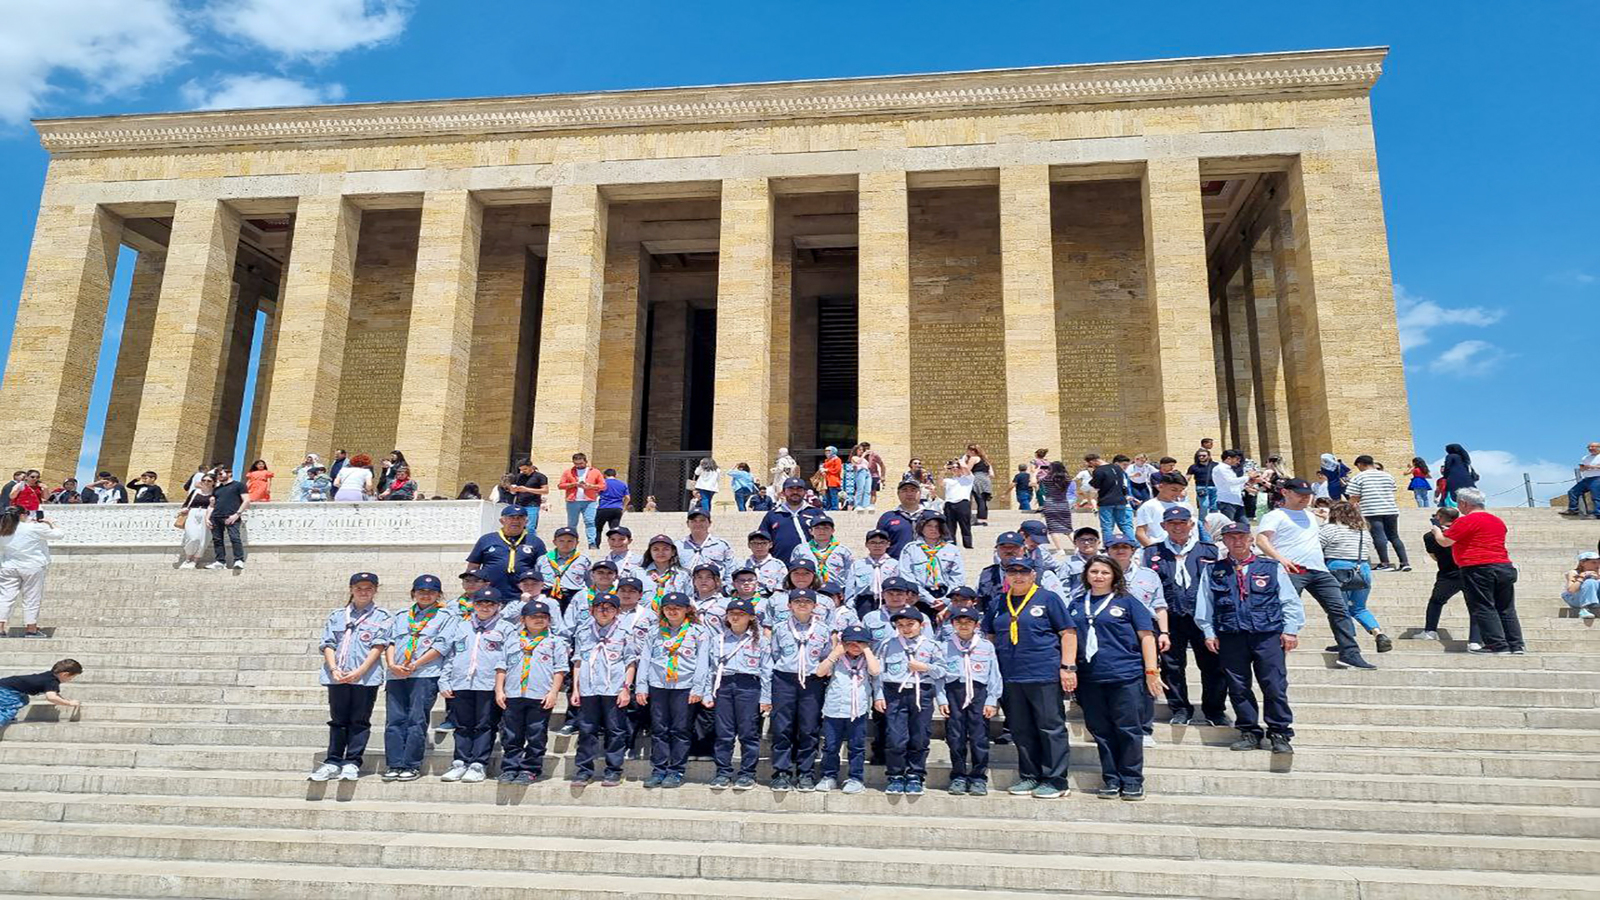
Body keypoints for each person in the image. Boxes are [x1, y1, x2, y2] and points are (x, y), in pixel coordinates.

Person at [1195, 522, 1302, 755]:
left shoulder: (1271, 567)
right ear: (1224, 541)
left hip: (1267, 634)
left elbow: (1289, 600)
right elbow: (1205, 603)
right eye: (1231, 537)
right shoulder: (1213, 570)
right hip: (1231, 635)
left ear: (1251, 539)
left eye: (1242, 536)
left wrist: (1291, 630)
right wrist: (1209, 632)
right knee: (1238, 686)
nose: (1237, 541)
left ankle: (1279, 732)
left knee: (1274, 685)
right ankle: (1249, 731)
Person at [1255, 478, 1375, 670]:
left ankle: (1350, 653)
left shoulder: (1311, 516)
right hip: (1291, 569)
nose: (1305, 498)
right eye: (1300, 494)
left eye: (1307, 495)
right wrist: (1281, 559)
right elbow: (1261, 540)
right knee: (1283, 610)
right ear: (1285, 492)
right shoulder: (1275, 515)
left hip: (1319, 570)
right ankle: (1273, 652)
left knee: (1340, 609)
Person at [1068, 556, 1160, 800]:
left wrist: (1151, 671)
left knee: (1128, 729)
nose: (1099, 576)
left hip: (1125, 675)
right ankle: (1111, 778)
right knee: (1100, 730)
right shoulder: (1077, 604)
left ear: (1115, 576)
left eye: (1105, 572)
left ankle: (1132, 780)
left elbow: (1147, 637)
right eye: (1094, 572)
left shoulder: (1128, 602)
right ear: (1086, 575)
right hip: (1090, 677)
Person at [984, 559, 1073, 798]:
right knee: (1021, 729)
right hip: (1010, 676)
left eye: (1023, 572)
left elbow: (1068, 633)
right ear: (1006, 576)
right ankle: (1029, 775)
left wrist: (1068, 667)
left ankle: (1056, 780)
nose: (1018, 576)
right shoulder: (998, 602)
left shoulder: (1048, 599)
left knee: (1050, 727)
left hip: (1042, 673)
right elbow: (990, 636)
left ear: (1033, 575)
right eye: (1012, 572)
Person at [1140, 507, 1229, 725]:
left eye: (1182, 522)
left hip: (1203, 617)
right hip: (1169, 617)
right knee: (1172, 666)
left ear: (1191, 524)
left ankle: (1215, 710)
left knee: (1213, 664)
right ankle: (1180, 709)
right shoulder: (1152, 552)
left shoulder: (1209, 550)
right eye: (1172, 523)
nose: (1177, 527)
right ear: (1163, 526)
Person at [308, 572, 393, 782]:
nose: (363, 592)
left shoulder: (382, 616)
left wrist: (360, 671)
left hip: (365, 677)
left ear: (375, 590)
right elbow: (328, 643)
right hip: (337, 676)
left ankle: (352, 762)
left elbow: (379, 646)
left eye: (368, 588)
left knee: (359, 720)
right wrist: (334, 668)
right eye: (359, 588)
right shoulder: (338, 615)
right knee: (338, 720)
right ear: (351, 589)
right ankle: (333, 761)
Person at [1430, 488, 1522, 654]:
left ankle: (1497, 645)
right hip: (1504, 566)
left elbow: (1445, 542)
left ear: (1464, 503)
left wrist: (1436, 531)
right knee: (1506, 608)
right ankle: (1516, 645)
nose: (1458, 507)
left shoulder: (1466, 520)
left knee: (1483, 607)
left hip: (1478, 567)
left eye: (1458, 503)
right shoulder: (1497, 520)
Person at [437, 587, 514, 784]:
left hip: (488, 684)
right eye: (480, 603)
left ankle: (478, 764)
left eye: (490, 604)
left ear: (499, 606)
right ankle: (460, 762)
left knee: (485, 724)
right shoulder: (462, 626)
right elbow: (451, 655)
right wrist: (444, 679)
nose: (485, 607)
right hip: (461, 682)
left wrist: (502, 686)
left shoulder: (506, 628)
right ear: (473, 605)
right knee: (462, 725)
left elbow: (508, 658)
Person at [379, 575, 450, 781]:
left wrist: (415, 664)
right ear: (413, 593)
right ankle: (394, 763)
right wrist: (392, 664)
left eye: (431, 592)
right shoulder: (401, 615)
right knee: (394, 719)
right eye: (421, 591)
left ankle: (411, 764)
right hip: (396, 674)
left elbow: (441, 645)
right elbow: (390, 642)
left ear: (438, 595)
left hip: (424, 674)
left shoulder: (445, 616)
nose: (426, 595)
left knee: (416, 719)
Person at [635, 592, 706, 788]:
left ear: (687, 610)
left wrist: (698, 688)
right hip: (658, 685)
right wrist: (641, 686)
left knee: (680, 729)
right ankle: (659, 769)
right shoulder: (654, 631)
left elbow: (702, 662)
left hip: (684, 686)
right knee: (659, 729)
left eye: (677, 608)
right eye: (668, 608)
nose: (672, 611)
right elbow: (645, 660)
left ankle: (676, 770)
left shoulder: (698, 632)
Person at [495, 598, 569, 783]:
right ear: (523, 620)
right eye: (533, 616)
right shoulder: (512, 641)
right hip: (513, 694)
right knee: (511, 734)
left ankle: (530, 768)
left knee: (536, 733)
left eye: (543, 616)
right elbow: (501, 667)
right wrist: (499, 690)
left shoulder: (555, 642)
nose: (539, 619)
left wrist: (553, 693)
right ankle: (510, 767)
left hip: (540, 695)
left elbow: (560, 670)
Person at [765, 587, 832, 792]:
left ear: (815, 606)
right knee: (782, 726)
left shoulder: (823, 630)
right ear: (789, 605)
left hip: (812, 681)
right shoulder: (780, 628)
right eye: (797, 601)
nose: (802, 605)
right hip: (785, 679)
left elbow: (825, 656)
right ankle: (781, 772)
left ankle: (806, 772)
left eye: (807, 602)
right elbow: (775, 654)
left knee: (809, 727)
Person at [872, 606, 943, 795]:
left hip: (922, 692)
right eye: (901, 625)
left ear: (921, 625)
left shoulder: (932, 646)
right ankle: (895, 775)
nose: (906, 628)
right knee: (895, 737)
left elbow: (942, 671)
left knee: (920, 736)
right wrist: (878, 695)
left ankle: (915, 775)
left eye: (910, 624)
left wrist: (925, 667)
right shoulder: (887, 645)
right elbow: (878, 673)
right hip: (894, 692)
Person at [939, 604, 1002, 796]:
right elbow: (939, 676)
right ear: (952, 624)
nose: (964, 625)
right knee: (955, 736)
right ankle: (958, 775)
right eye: (959, 621)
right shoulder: (944, 646)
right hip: (954, 692)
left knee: (979, 736)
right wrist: (941, 699)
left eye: (968, 622)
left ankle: (978, 777)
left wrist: (992, 699)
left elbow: (994, 674)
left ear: (977, 625)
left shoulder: (986, 646)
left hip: (978, 693)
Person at [705, 597, 767, 790]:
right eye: (732, 614)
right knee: (724, 732)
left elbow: (767, 670)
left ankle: (747, 773)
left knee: (748, 732)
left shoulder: (760, 640)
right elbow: (709, 668)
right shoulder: (718, 639)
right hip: (723, 684)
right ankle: (723, 772)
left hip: (748, 685)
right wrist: (707, 692)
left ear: (751, 617)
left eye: (741, 614)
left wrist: (766, 697)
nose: (736, 617)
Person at [813, 625, 880, 794]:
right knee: (831, 746)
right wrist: (835, 653)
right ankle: (828, 776)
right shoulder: (836, 659)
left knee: (857, 746)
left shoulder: (868, 659)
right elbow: (820, 672)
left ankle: (856, 778)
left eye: (861, 642)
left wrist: (867, 650)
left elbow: (875, 671)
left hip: (858, 710)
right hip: (834, 709)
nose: (856, 646)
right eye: (851, 642)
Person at [1319, 501, 1393, 654]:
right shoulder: (1362, 531)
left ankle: (1346, 641)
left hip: (1338, 569)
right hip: (1362, 569)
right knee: (1359, 608)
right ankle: (1378, 633)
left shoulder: (1330, 529)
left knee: (1340, 609)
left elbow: (1316, 545)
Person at [1414, 507, 1478, 644]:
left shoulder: (1429, 536)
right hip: (1471, 572)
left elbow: (1434, 557)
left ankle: (1430, 631)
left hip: (1448, 574)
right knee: (1475, 607)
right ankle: (1475, 640)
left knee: (1436, 602)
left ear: (1439, 517)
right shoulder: (1466, 531)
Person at [0, 507, 64, 639]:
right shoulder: (32, 528)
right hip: (32, 566)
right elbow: (59, 534)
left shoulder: (4, 529)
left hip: (9, 566)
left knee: (5, 597)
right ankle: (31, 629)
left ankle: (0, 627)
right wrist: (51, 522)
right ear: (22, 515)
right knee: (31, 598)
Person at [465, 506, 549, 601]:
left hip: (524, 596)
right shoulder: (486, 540)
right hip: (489, 596)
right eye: (511, 518)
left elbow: (543, 568)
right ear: (502, 521)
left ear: (526, 521)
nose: (516, 521)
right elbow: (473, 566)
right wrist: (470, 587)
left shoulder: (535, 541)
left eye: (520, 518)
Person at [1346, 455, 1411, 572]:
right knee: (1394, 536)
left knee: (1378, 536)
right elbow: (1392, 489)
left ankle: (1385, 563)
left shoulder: (1359, 477)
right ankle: (1404, 562)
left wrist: (1346, 508)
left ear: (1360, 464)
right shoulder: (1387, 476)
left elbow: (1355, 496)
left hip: (1372, 510)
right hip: (1391, 510)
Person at [897, 513, 965, 615]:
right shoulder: (910, 549)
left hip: (946, 597)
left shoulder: (952, 549)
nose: (933, 529)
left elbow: (958, 576)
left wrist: (946, 600)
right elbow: (906, 575)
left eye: (937, 526)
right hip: (919, 597)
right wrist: (929, 599)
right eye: (929, 526)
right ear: (921, 527)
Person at [758, 477, 826, 562]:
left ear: (805, 492)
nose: (795, 492)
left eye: (799, 490)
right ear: (783, 492)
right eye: (791, 489)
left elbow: (828, 538)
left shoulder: (816, 513)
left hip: (813, 565)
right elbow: (762, 540)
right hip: (781, 565)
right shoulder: (772, 515)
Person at [0, 658, 82, 726]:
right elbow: (51, 697)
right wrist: (69, 703)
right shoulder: (52, 681)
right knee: (10, 708)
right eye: (71, 678)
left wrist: (64, 700)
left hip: (7, 686)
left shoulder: (49, 676)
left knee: (24, 700)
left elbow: (55, 694)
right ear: (65, 674)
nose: (70, 680)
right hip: (7, 690)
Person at [537, 527, 593, 614]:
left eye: (570, 541)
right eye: (561, 541)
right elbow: (537, 579)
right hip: (548, 594)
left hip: (574, 594)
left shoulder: (583, 560)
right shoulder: (543, 559)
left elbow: (590, 581)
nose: (565, 544)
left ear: (577, 543)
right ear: (554, 542)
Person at [203, 468, 249, 570]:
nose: (218, 476)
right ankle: (220, 561)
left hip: (231, 516)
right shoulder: (217, 489)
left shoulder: (239, 485)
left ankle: (239, 560)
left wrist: (237, 514)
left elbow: (246, 500)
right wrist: (207, 518)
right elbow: (211, 505)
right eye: (217, 475)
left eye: (220, 474)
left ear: (229, 473)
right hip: (216, 517)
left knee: (235, 538)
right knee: (217, 540)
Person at [559, 453, 607, 547]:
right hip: (572, 501)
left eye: (581, 463)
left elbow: (603, 486)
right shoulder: (568, 472)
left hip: (589, 501)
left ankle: (592, 542)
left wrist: (591, 486)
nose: (578, 465)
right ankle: (572, 542)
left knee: (590, 522)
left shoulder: (595, 472)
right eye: (576, 464)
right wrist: (573, 484)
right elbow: (561, 485)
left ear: (586, 462)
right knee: (572, 524)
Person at [874, 480, 927, 558]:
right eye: (904, 490)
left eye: (913, 490)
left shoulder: (931, 516)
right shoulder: (887, 517)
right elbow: (878, 543)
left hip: (929, 563)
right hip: (896, 562)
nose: (909, 494)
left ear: (920, 493)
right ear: (898, 494)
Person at [1086, 453, 1134, 538]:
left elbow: (1096, 486)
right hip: (1120, 500)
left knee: (1107, 526)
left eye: (1090, 464)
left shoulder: (1099, 471)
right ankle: (1132, 543)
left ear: (1093, 461)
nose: (1091, 466)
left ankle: (1108, 544)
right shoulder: (1117, 468)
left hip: (1106, 501)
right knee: (1125, 525)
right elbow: (1122, 484)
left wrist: (1091, 474)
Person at [1037, 461, 1076, 553]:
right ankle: (1077, 547)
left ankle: (1060, 549)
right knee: (1068, 528)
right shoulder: (1067, 479)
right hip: (1063, 504)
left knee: (1053, 528)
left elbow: (1034, 482)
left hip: (1050, 504)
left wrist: (1035, 472)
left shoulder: (1047, 479)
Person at [939, 459, 976, 549]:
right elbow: (940, 482)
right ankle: (951, 543)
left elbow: (966, 468)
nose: (955, 469)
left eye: (957, 467)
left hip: (962, 503)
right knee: (950, 526)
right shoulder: (948, 480)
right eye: (953, 467)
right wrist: (944, 469)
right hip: (949, 504)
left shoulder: (968, 478)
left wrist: (959, 461)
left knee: (965, 525)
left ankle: (967, 544)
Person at [507, 459, 550, 534]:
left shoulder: (540, 476)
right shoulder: (519, 477)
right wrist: (513, 489)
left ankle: (530, 540)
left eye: (525, 469)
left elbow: (545, 491)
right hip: (519, 504)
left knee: (530, 527)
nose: (523, 471)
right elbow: (513, 491)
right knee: (517, 526)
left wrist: (527, 489)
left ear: (531, 466)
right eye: (521, 470)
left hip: (532, 505)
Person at [1562, 442, 1600, 519]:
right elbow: (1581, 469)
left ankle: (1597, 514)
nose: (1590, 448)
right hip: (1586, 479)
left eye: (1593, 447)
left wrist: (1591, 466)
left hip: (1597, 478)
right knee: (1572, 492)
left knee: (1596, 496)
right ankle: (1573, 510)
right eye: (1589, 447)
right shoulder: (1585, 457)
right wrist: (1584, 468)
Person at [1562, 552, 1600, 620]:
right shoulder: (1574, 573)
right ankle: (1584, 609)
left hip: (1597, 600)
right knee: (1590, 582)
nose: (1597, 565)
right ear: (1582, 563)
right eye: (1593, 562)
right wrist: (1581, 577)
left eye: (1599, 562)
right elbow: (1571, 590)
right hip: (1577, 599)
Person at [963, 444, 993, 526]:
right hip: (985, 479)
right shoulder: (985, 460)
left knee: (976, 499)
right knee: (982, 500)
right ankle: (983, 519)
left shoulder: (973, 458)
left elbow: (967, 470)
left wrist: (963, 462)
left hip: (976, 479)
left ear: (972, 451)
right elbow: (991, 474)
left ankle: (975, 519)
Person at [1189, 450, 1218, 515]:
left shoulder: (1216, 465)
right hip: (1201, 488)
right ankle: (1202, 521)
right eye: (1199, 456)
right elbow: (1188, 477)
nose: (1201, 457)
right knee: (1204, 505)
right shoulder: (1194, 466)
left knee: (1214, 506)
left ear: (1209, 456)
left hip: (1215, 487)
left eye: (1204, 456)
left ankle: (1213, 520)